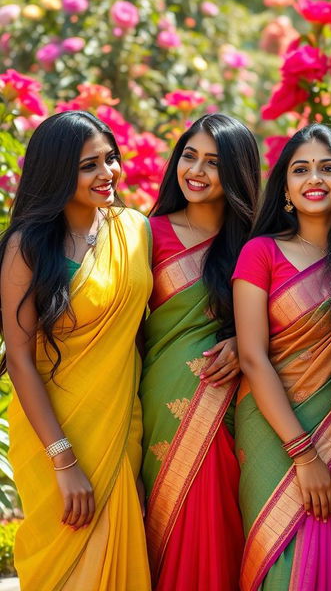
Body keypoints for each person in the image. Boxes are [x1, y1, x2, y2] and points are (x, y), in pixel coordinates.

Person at [0, 111, 152, 590]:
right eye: (90, 165)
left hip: (119, 423)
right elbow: (19, 358)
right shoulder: (28, 247)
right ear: (57, 171)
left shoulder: (134, 231)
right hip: (54, 433)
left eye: (110, 159)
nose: (107, 173)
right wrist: (63, 462)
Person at [232, 124, 331, 591]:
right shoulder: (261, 252)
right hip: (273, 424)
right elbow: (252, 355)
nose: (315, 178)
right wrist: (302, 452)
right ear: (286, 187)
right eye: (301, 169)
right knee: (281, 563)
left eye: (328, 168)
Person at [140, 114, 260, 590]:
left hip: (227, 403)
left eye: (213, 162)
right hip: (159, 401)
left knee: (218, 520)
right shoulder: (146, 235)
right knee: (163, 520)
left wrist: (243, 339)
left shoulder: (255, 243)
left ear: (236, 172)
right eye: (190, 156)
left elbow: (283, 322)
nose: (197, 170)